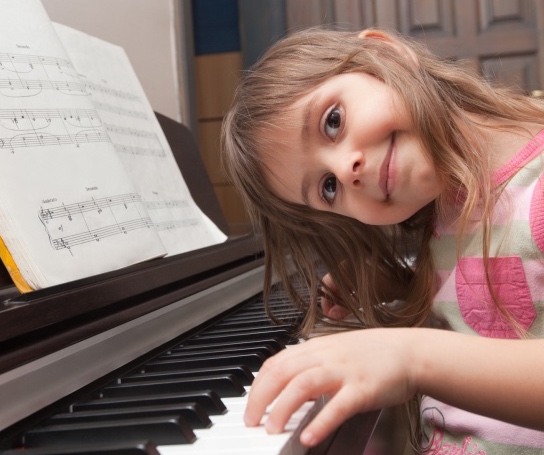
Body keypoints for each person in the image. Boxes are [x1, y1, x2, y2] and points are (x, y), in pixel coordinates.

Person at [221, 27, 544, 454]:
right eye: (329, 188)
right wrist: (408, 287)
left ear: (384, 52)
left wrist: (409, 357)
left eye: (332, 121)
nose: (347, 168)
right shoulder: (446, 207)